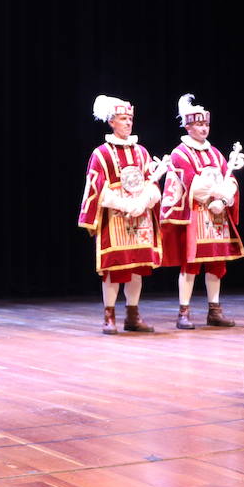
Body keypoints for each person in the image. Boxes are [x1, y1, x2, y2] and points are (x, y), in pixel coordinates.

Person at [159, 94, 244, 329]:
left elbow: (231, 179)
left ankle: (214, 310)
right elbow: (190, 183)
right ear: (188, 126)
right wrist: (216, 195)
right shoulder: (180, 153)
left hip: (217, 217)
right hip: (196, 214)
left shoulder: (216, 153)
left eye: (206, 124)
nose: (203, 128)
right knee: (191, 265)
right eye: (198, 124)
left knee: (217, 264)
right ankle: (183, 312)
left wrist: (226, 198)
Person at [77, 95, 162, 334]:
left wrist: (143, 201)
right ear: (112, 121)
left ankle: (132, 315)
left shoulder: (142, 152)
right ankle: (109, 316)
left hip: (140, 215)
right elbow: (96, 188)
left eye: (130, 119)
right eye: (123, 119)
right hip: (115, 217)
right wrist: (125, 205)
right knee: (115, 268)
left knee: (137, 266)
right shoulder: (101, 153)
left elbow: (152, 184)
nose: (128, 123)